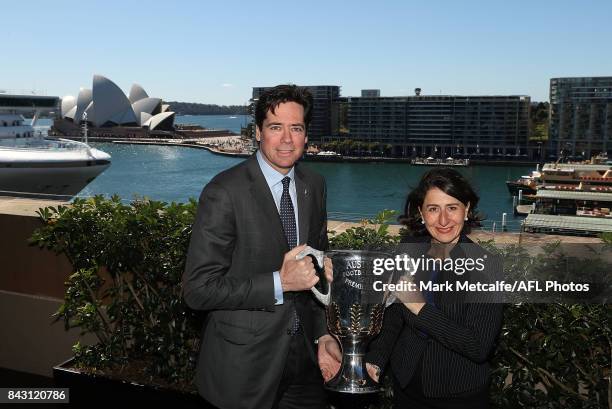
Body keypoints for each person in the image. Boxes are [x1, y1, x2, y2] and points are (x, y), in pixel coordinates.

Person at [183, 84, 338, 409]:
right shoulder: (224, 192)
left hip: (308, 362)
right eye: (275, 127)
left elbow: (316, 269)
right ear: (257, 132)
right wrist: (280, 282)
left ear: (306, 134)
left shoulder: (315, 184)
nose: (286, 139)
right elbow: (198, 290)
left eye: (295, 128)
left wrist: (324, 334)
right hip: (244, 368)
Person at [365, 168, 504, 409]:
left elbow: (477, 346)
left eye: (452, 207)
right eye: (433, 209)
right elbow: (394, 317)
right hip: (405, 386)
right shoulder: (409, 249)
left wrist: (420, 307)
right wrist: (376, 360)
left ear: (467, 209)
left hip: (458, 395)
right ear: (420, 212)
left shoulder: (487, 267)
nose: (443, 220)